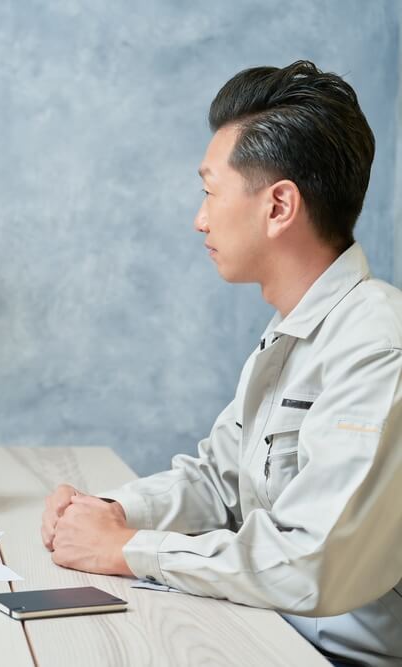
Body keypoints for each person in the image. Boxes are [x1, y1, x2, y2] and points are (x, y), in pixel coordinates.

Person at [41, 61, 402, 666]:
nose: (200, 218)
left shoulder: (377, 348)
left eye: (210, 191)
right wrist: (111, 511)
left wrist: (126, 550)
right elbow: (221, 478)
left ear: (279, 206)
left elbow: (314, 564)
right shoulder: (293, 330)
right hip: (265, 631)